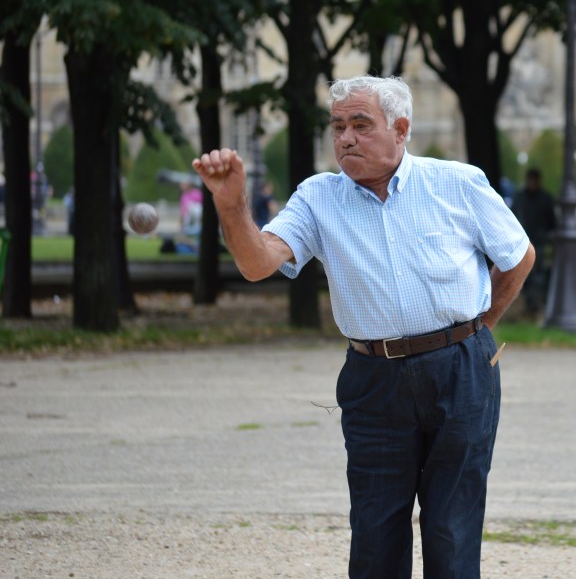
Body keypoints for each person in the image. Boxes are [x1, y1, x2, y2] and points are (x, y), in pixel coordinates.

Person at [191, 75, 534, 579]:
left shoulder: (456, 182)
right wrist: (230, 204)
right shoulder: (318, 197)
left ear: (401, 129)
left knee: (452, 529)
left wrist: (480, 330)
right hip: (373, 377)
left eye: (360, 125)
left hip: (461, 370)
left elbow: (518, 256)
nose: (346, 138)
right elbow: (257, 263)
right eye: (338, 127)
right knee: (375, 532)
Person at [511, 168, 557, 314]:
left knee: (538, 275)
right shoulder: (520, 198)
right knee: (526, 276)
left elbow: (552, 222)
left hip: (538, 242)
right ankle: (530, 305)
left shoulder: (544, 199)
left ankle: (535, 305)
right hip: (524, 242)